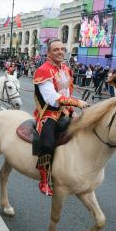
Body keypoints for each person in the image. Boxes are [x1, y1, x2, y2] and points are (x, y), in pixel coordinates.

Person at [32, 39, 88, 196]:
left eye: (62, 49)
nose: (61, 52)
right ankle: (44, 180)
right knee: (48, 144)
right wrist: (76, 102)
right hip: (48, 113)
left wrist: (71, 109)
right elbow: (52, 98)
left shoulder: (66, 69)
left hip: (65, 111)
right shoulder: (43, 70)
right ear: (48, 53)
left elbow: (66, 92)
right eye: (56, 49)